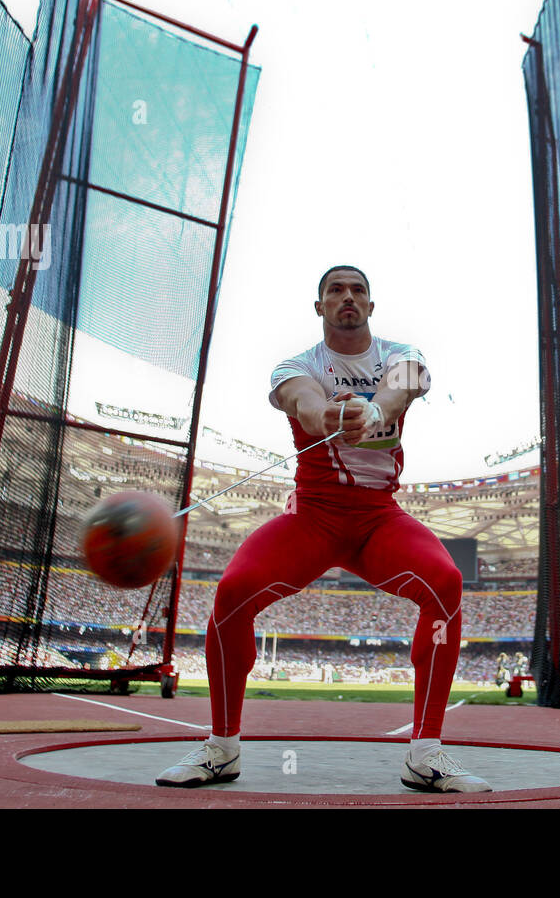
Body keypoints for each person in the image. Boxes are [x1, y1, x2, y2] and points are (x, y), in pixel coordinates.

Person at [157, 265, 490, 793]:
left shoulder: (403, 354)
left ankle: (425, 754)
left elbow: (403, 388)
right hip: (312, 516)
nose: (348, 298)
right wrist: (327, 419)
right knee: (233, 592)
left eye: (358, 290)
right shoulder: (297, 365)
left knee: (445, 583)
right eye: (335, 291)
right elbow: (301, 402)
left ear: (372, 307)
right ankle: (222, 748)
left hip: (378, 518)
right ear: (320, 308)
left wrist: (375, 409)